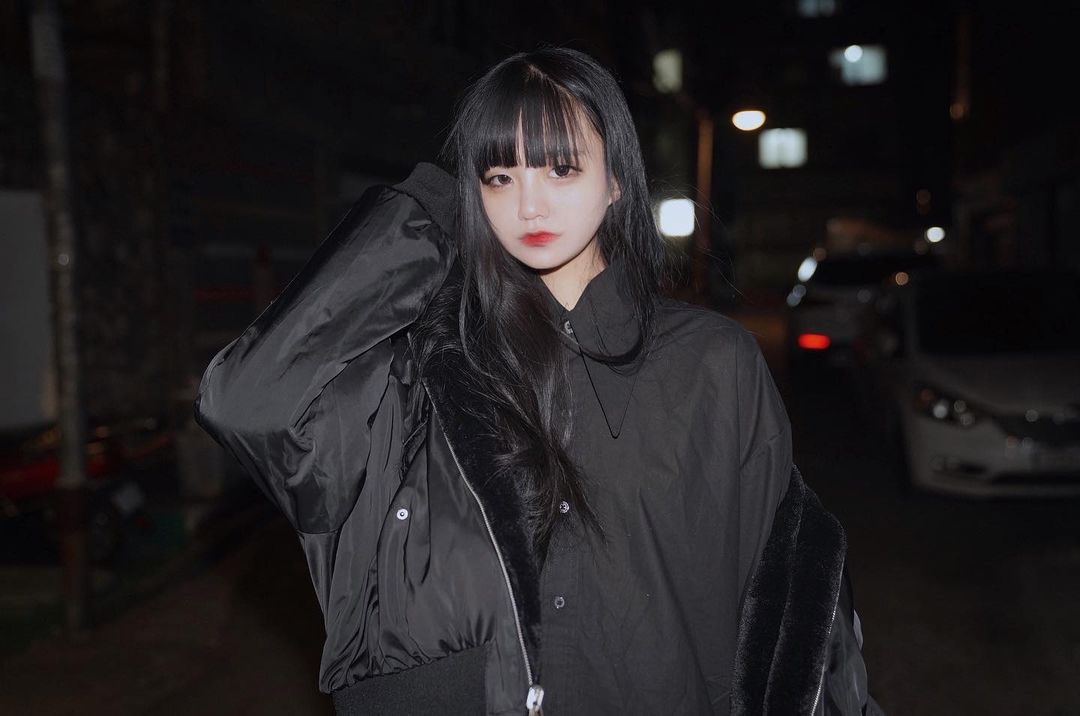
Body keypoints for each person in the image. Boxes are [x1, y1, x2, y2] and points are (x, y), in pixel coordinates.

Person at [194, 46, 883, 715]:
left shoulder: (714, 361)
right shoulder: (430, 372)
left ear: (616, 181)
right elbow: (248, 402)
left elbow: (793, 604)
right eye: (499, 177)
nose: (529, 206)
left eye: (560, 169)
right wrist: (428, 212)